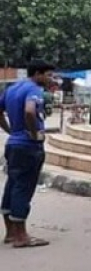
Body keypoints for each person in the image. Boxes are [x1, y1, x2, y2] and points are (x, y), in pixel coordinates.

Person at [0, 60, 55, 248]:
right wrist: (33, 133)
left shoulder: (12, 89)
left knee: (13, 184)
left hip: (13, 144)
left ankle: (10, 232)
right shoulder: (34, 90)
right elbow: (30, 112)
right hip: (28, 146)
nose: (51, 79)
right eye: (48, 75)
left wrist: (11, 130)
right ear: (37, 74)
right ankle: (21, 236)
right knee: (24, 187)